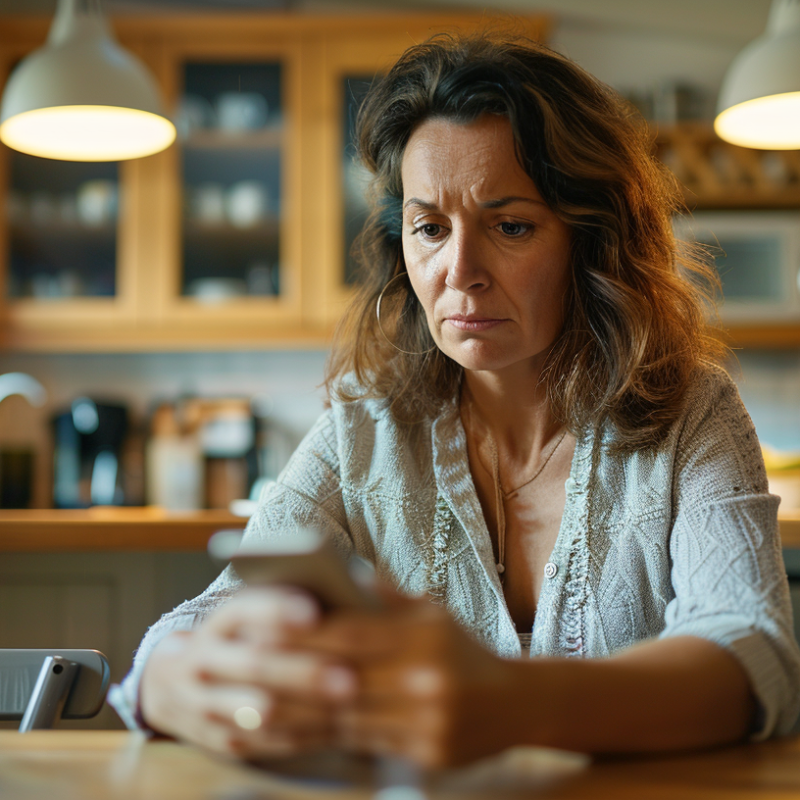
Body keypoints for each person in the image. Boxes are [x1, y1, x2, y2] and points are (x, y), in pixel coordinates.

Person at [109, 32, 800, 768]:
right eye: (430, 228)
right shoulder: (362, 434)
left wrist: (511, 702)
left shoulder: (692, 411)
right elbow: (185, 637)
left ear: (590, 241)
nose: (459, 271)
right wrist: (183, 686)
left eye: (511, 226)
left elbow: (753, 654)